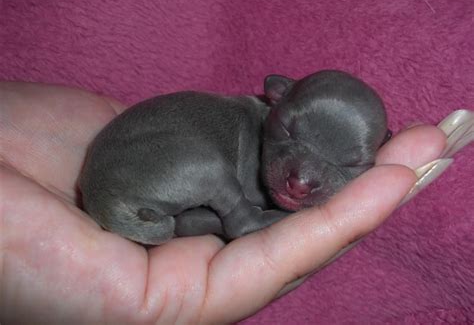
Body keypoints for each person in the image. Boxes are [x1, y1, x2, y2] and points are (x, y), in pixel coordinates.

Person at [0, 81, 455, 323]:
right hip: (132, 175)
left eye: (346, 165)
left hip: (144, 191)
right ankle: (239, 220)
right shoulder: (238, 121)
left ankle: (195, 219)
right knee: (206, 169)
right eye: (291, 135)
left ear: (372, 157)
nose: (300, 178)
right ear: (274, 99)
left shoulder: (276, 151)